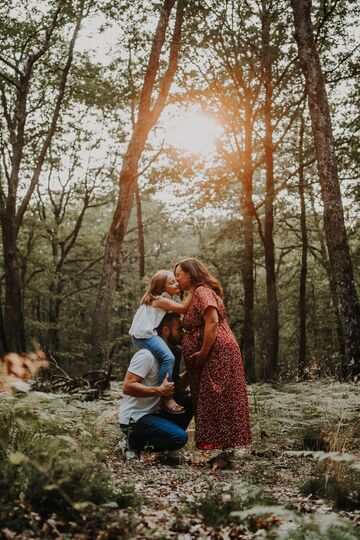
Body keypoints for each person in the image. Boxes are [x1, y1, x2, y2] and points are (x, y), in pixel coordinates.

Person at [174, 257, 251, 452]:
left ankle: (227, 450)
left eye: (179, 275)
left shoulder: (202, 291)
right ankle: (223, 448)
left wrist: (203, 352)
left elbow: (212, 321)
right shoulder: (194, 295)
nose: (176, 280)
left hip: (218, 352)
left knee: (220, 396)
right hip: (212, 353)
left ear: (191, 274)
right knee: (212, 397)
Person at [120, 312, 193, 462]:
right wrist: (159, 391)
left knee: (190, 401)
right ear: (166, 331)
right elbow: (127, 387)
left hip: (155, 413)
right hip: (136, 418)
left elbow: (177, 390)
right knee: (180, 438)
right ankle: (131, 443)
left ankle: (165, 452)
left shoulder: (171, 357)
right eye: (179, 329)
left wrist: (193, 369)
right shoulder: (146, 355)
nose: (183, 334)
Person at [129, 269, 193, 414]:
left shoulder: (159, 300)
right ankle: (166, 397)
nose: (177, 283)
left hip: (147, 334)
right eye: (172, 282)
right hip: (142, 336)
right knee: (168, 357)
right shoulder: (160, 300)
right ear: (162, 288)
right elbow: (183, 308)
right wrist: (193, 290)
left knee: (176, 351)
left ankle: (176, 387)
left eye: (176, 281)